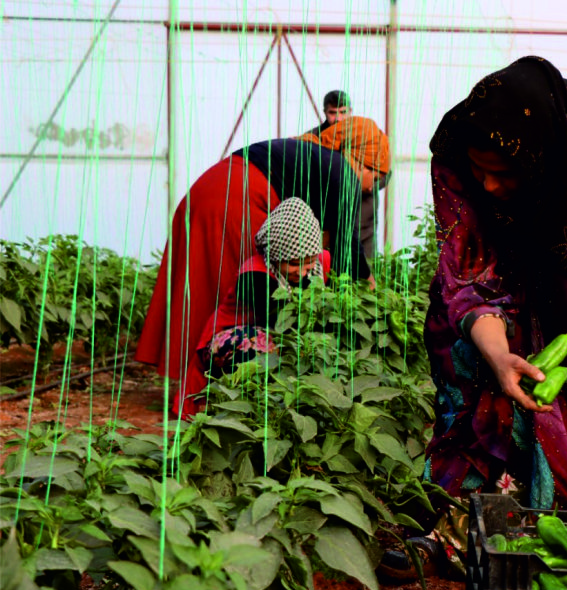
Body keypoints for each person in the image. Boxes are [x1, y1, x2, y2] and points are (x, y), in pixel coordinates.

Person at [423, 56, 567, 514]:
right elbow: (470, 276)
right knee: (479, 373)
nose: (488, 186)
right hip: (487, 301)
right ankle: (462, 519)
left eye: (505, 173)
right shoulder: (458, 146)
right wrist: (496, 352)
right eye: (480, 170)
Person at [135, 137, 370, 416]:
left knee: (211, 296)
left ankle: (241, 399)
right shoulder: (258, 272)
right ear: (366, 164)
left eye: (308, 262)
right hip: (235, 197)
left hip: (219, 186)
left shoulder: (309, 253)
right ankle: (227, 403)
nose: (373, 185)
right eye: (376, 175)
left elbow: (336, 256)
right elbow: (346, 243)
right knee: (259, 337)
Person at [195, 197, 329, 384]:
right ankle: (246, 392)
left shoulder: (320, 263)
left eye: (308, 263)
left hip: (277, 334)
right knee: (255, 345)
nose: (301, 272)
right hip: (230, 337)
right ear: (275, 255)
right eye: (292, 264)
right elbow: (283, 323)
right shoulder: (254, 276)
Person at [299, 116, 391, 259]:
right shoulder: (329, 174)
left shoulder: (324, 160)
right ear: (360, 164)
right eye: (374, 179)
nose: (371, 188)